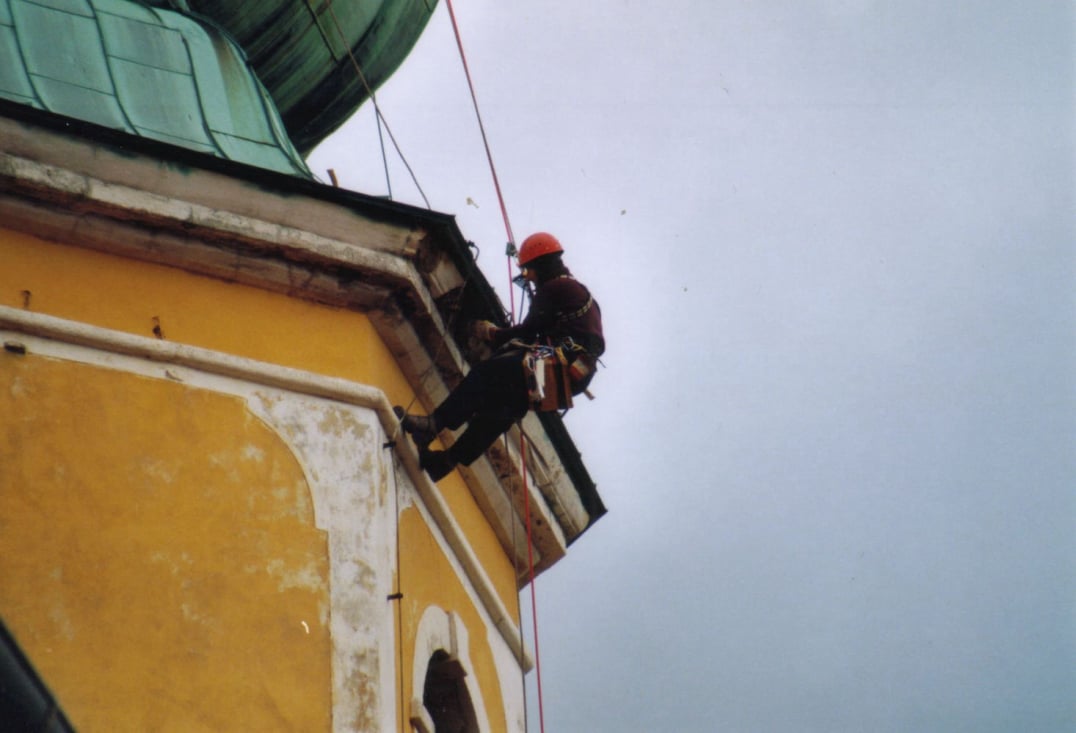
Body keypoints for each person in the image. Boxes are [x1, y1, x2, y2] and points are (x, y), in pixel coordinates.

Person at [397, 232, 604, 481]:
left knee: (487, 373)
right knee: (502, 408)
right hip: (573, 374)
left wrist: (491, 332)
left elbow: (527, 331)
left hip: (560, 360)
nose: (529, 278)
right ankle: (446, 461)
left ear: (540, 265)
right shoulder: (577, 292)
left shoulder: (556, 288)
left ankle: (434, 423)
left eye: (528, 270)